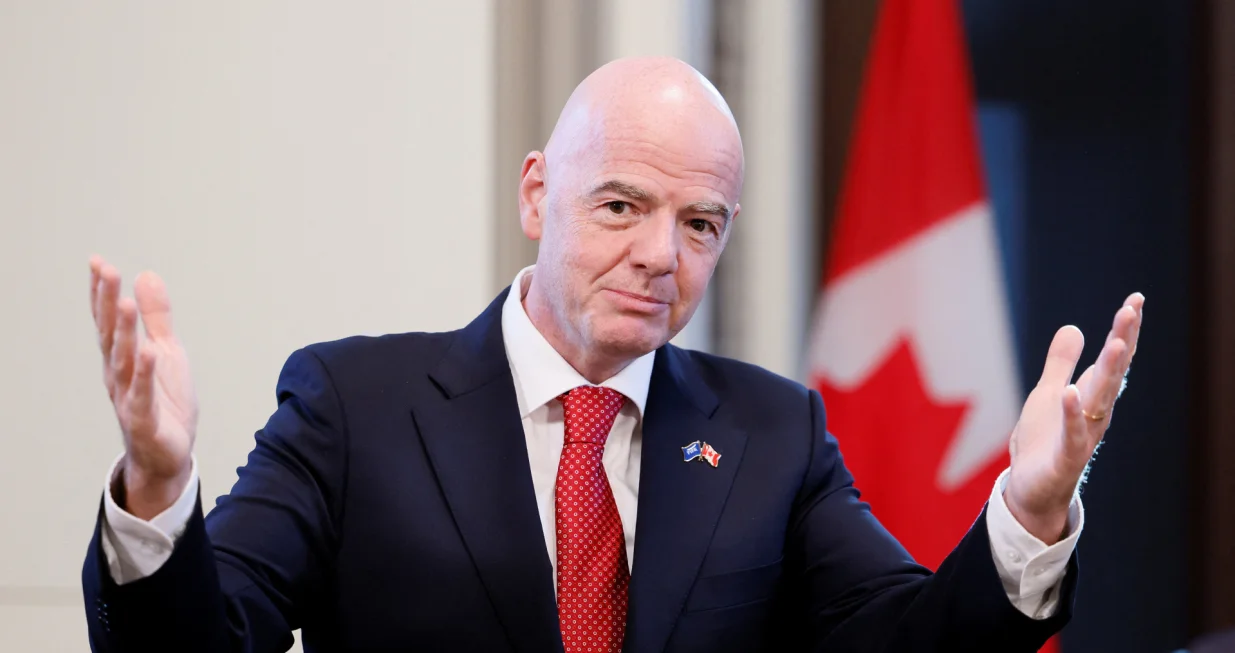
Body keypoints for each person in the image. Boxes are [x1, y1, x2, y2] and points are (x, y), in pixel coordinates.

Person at [81, 57, 1144, 652]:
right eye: (622, 206)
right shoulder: (353, 404)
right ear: (537, 193)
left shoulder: (773, 433)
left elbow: (913, 649)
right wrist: (158, 489)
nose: (658, 255)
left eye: (699, 223)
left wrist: (1028, 510)